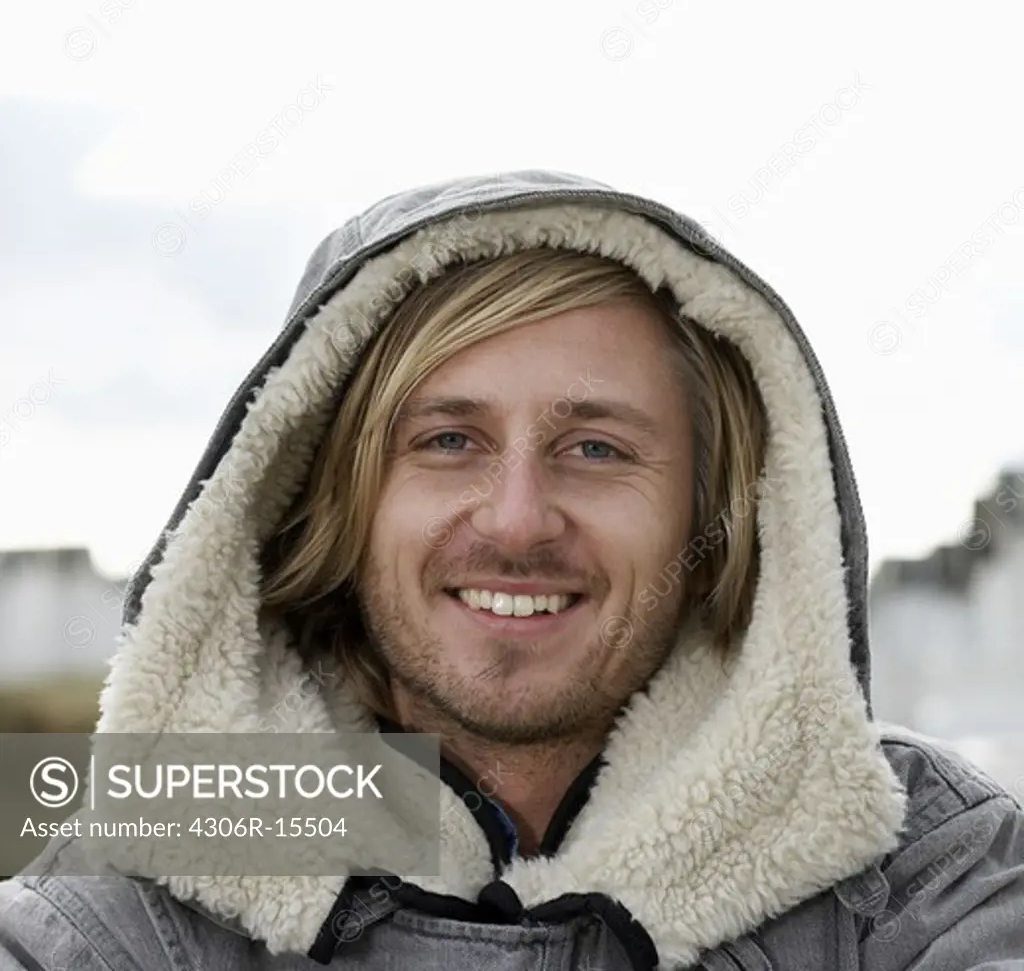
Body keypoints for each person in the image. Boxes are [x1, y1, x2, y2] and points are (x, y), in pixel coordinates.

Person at [1, 170, 1022, 970]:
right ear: (338, 498)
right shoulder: (143, 881)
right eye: (447, 441)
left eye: (596, 448)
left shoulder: (922, 869)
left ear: (712, 514)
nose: (519, 520)